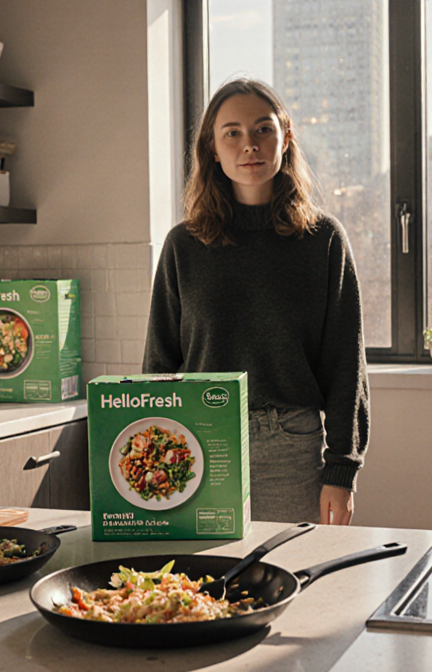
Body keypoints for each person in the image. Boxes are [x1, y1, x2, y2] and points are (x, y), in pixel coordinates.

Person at [143, 78, 369, 526]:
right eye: (232, 133)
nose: (249, 145)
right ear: (212, 148)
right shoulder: (183, 246)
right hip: (197, 443)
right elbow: (159, 367)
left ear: (285, 136)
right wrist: (155, 459)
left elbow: (347, 368)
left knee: (292, 581)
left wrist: (342, 471)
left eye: (263, 129)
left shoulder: (323, 241)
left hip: (290, 448)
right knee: (199, 586)